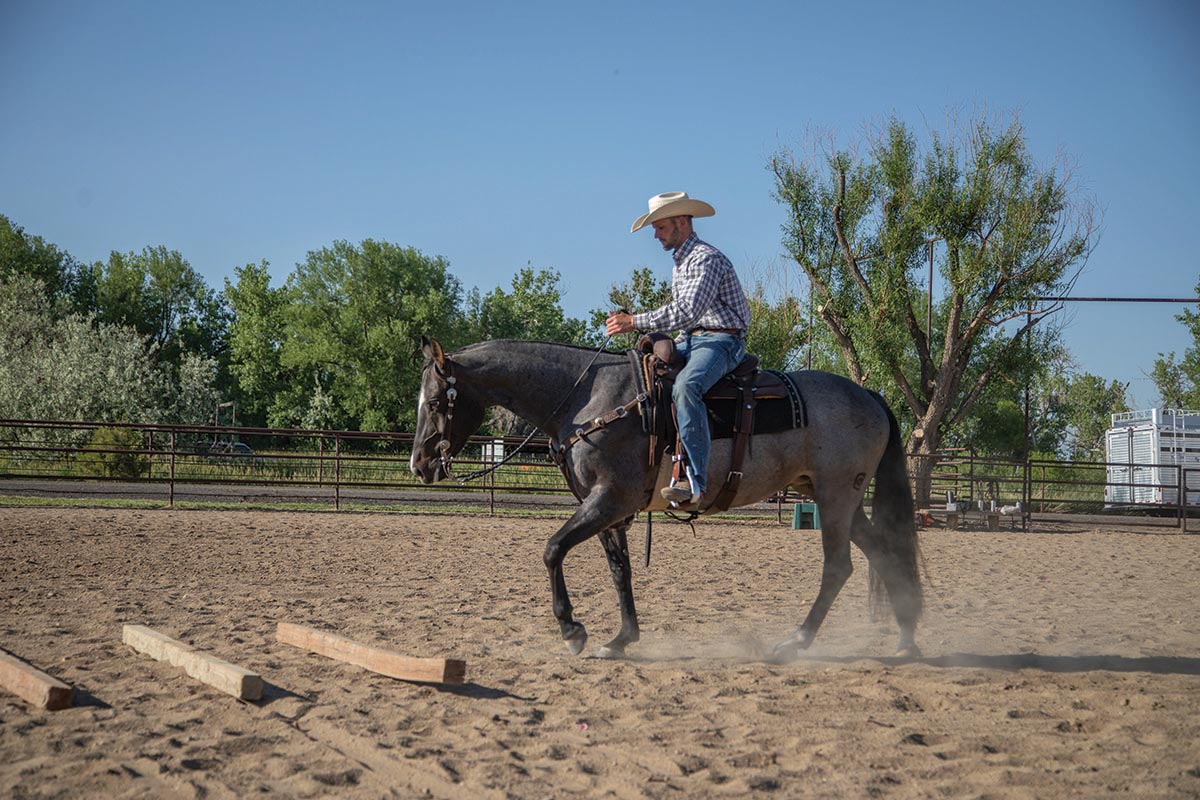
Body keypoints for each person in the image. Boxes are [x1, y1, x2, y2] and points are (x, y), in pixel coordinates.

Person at [606, 191, 751, 506]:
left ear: (681, 222)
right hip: (692, 338)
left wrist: (635, 321)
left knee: (686, 387)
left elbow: (687, 311)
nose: (655, 235)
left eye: (660, 227)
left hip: (722, 340)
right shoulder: (681, 262)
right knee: (642, 373)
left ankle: (694, 482)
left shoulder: (705, 259)